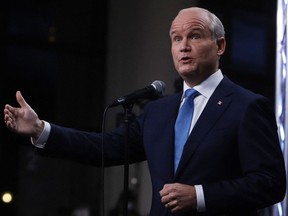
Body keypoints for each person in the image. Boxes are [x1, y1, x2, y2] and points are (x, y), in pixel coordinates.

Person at [4, 7, 286, 216]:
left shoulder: (247, 106)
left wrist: (199, 195)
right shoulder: (158, 112)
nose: (183, 46)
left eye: (195, 36)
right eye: (176, 39)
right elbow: (104, 148)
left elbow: (270, 184)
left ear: (220, 45)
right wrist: (41, 129)